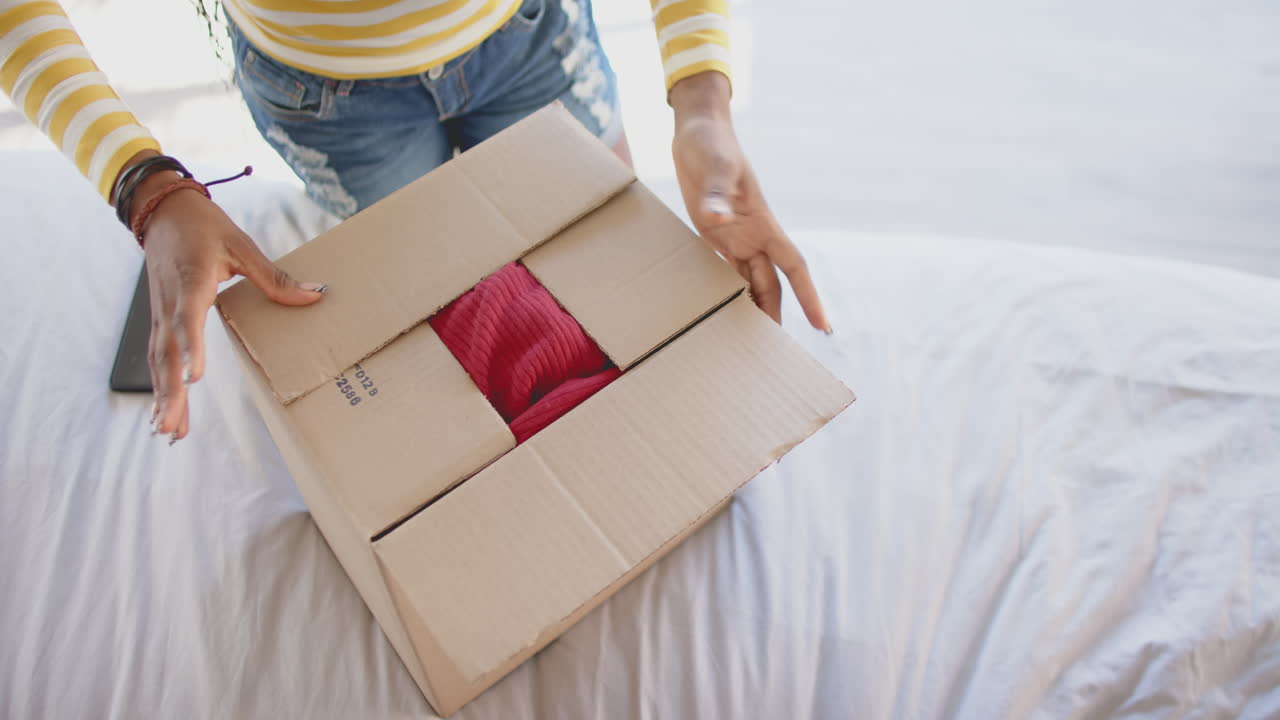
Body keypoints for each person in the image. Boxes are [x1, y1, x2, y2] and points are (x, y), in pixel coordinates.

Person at [0, 0, 831, 444]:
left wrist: (701, 98)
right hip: (327, 99)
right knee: (453, 299)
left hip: (527, 36)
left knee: (598, 263)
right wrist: (143, 185)